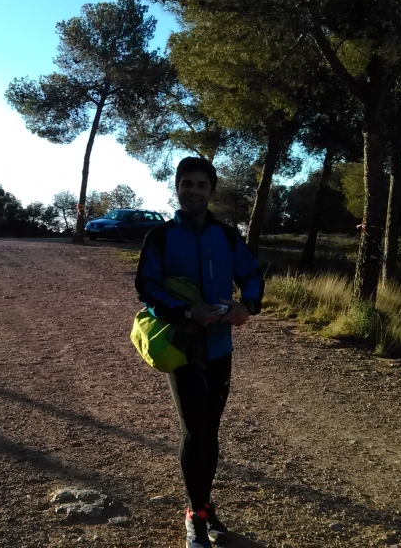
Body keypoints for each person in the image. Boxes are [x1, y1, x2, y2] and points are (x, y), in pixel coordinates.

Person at [135, 157, 264, 547]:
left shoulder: (226, 235)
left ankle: (204, 504)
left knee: (211, 430)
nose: (193, 191)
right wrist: (188, 311)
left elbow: (252, 274)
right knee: (195, 430)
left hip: (220, 347)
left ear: (211, 191)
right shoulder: (160, 236)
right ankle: (195, 513)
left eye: (201, 185)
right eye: (187, 184)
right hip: (183, 347)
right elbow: (147, 287)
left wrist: (247, 305)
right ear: (177, 187)